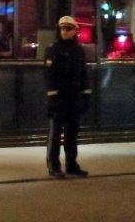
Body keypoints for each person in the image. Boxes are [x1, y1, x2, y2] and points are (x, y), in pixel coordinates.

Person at [45, 16, 91, 178]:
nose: (64, 32)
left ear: (75, 31)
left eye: (68, 29)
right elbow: (49, 76)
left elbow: (83, 74)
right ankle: (54, 166)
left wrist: (86, 94)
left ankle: (71, 165)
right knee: (55, 134)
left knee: (72, 133)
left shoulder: (79, 50)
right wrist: (52, 97)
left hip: (74, 97)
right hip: (59, 98)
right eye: (62, 29)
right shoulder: (53, 49)